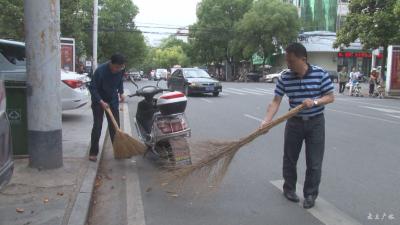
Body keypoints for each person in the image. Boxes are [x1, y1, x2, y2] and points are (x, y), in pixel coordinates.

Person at [260, 43, 334, 209]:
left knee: (314, 162)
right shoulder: (285, 77)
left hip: (316, 122)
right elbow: (275, 101)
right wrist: (266, 121)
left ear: (303, 59)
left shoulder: (320, 74)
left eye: (291, 61)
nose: (288, 64)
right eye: (287, 61)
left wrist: (314, 101)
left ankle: (310, 194)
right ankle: (289, 189)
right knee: (290, 158)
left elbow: (330, 97)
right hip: (294, 122)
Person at [88, 54, 126, 162]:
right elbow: (92, 88)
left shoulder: (120, 70)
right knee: (98, 126)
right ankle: (93, 152)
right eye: (117, 67)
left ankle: (118, 151)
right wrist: (100, 101)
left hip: (112, 100)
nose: (118, 69)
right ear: (111, 63)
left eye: (121, 67)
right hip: (98, 100)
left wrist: (121, 92)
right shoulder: (100, 71)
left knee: (115, 127)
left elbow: (120, 81)